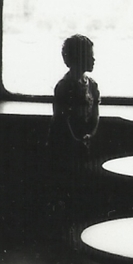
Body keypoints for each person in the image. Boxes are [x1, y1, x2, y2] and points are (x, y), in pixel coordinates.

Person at [47, 34, 101, 231]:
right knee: (65, 183)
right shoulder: (64, 86)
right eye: (90, 55)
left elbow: (95, 114)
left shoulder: (93, 85)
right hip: (63, 143)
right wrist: (75, 140)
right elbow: (61, 118)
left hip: (83, 142)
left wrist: (89, 136)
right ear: (78, 58)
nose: (94, 60)